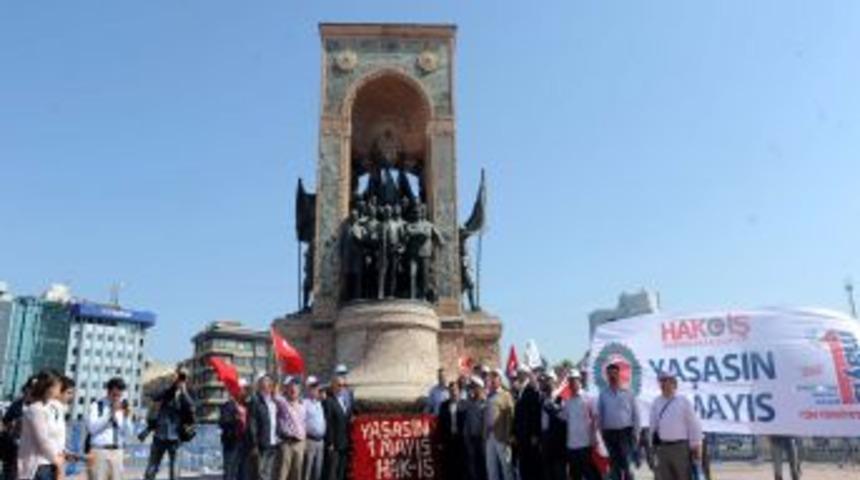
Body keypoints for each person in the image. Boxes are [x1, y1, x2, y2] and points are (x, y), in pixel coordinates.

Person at [142, 369, 195, 480]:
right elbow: (155, 396)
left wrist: (183, 392)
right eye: (179, 377)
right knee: (151, 469)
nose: (180, 380)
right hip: (159, 435)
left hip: (176, 437)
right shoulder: (166, 388)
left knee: (174, 472)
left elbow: (191, 407)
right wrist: (172, 386)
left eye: (183, 378)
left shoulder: (188, 392)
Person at [649, 372, 702, 480]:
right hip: (662, 448)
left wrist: (696, 445)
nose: (663, 384)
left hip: (681, 448)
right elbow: (653, 426)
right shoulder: (656, 402)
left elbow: (694, 425)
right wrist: (653, 446)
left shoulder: (683, 401)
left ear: (674, 383)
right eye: (661, 381)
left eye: (666, 381)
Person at [596, 363, 640, 480]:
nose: (612, 376)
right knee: (614, 467)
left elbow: (636, 415)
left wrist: (636, 433)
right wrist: (601, 436)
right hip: (609, 434)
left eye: (614, 373)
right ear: (607, 376)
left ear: (619, 374)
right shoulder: (603, 394)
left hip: (625, 433)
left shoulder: (628, 392)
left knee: (627, 465)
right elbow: (600, 416)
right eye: (609, 374)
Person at [18, 371, 65, 480]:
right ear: (49, 388)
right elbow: (43, 440)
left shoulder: (50, 407)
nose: (60, 388)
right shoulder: (36, 409)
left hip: (49, 463)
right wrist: (56, 459)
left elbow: (54, 436)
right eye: (57, 385)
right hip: (39, 465)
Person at [86, 377, 133, 480]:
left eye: (120, 395)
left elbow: (128, 433)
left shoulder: (122, 407)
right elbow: (91, 428)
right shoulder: (97, 406)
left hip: (118, 452)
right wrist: (110, 414)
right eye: (114, 395)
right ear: (108, 391)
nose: (117, 398)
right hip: (99, 451)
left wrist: (126, 417)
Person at [3, 376, 39, 480]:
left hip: (31, 455)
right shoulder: (16, 405)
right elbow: (5, 423)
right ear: (26, 388)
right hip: (12, 451)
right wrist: (12, 425)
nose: (33, 390)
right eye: (31, 387)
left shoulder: (41, 408)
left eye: (36, 388)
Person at [484, 368, 514, 480]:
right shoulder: (489, 396)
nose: (493, 379)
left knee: (506, 467)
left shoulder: (506, 395)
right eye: (492, 377)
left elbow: (510, 416)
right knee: (491, 468)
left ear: (500, 379)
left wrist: (508, 435)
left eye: (495, 377)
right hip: (489, 436)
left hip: (502, 436)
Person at [247, 375, 279, 480]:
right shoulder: (255, 401)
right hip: (261, 444)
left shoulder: (273, 401)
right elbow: (252, 424)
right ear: (260, 386)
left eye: (270, 383)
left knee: (268, 473)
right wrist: (254, 444)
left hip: (273, 442)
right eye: (265, 383)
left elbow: (276, 421)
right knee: (260, 474)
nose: (268, 386)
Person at [513, 366, 542, 480]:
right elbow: (516, 415)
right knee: (523, 464)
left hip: (530, 435)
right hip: (521, 435)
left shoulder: (531, 390)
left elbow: (535, 414)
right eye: (518, 373)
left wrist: (535, 433)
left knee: (532, 465)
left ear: (525, 374)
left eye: (521, 373)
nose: (518, 375)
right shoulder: (518, 391)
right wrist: (514, 433)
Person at [275, 376, 306, 480]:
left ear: (299, 391)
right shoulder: (282, 402)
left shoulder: (302, 405)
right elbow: (275, 394)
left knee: (297, 474)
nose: (293, 391)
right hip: (286, 443)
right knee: (282, 474)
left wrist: (303, 441)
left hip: (299, 444)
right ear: (287, 390)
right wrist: (280, 378)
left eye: (296, 389)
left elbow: (303, 424)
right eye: (291, 389)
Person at [538, 371, 566, 480]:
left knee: (559, 471)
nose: (548, 383)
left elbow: (561, 417)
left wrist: (550, 406)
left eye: (550, 380)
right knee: (547, 470)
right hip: (545, 438)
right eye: (547, 380)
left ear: (555, 381)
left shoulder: (561, 397)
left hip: (557, 440)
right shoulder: (543, 398)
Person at [219, 379, 249, 480]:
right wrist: (235, 419)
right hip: (232, 443)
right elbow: (222, 423)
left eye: (245, 389)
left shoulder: (247, 405)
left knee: (243, 473)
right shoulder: (228, 405)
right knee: (230, 473)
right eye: (241, 389)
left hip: (245, 443)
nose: (243, 392)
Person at [322, 376, 351, 480]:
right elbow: (328, 422)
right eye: (339, 385)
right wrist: (330, 442)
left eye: (344, 385)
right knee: (332, 472)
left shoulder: (345, 401)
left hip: (344, 442)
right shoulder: (329, 401)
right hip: (334, 444)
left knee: (341, 472)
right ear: (333, 386)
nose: (341, 388)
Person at [461, 377, 487, 480]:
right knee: (473, 467)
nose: (472, 389)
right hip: (471, 438)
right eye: (471, 387)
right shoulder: (470, 403)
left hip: (482, 439)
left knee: (483, 466)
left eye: (474, 387)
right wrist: (466, 436)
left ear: (480, 388)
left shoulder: (484, 402)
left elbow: (485, 423)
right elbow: (467, 420)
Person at [438, 381, 465, 480]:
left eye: (455, 390)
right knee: (449, 466)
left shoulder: (464, 404)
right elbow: (440, 424)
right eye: (451, 390)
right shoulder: (443, 406)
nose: (453, 392)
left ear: (459, 391)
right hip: (448, 439)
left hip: (461, 440)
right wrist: (440, 441)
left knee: (461, 466)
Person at [302, 376, 326, 480]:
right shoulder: (304, 403)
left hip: (320, 441)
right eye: (313, 387)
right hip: (310, 440)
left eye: (316, 387)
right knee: (307, 471)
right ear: (308, 389)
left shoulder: (319, 403)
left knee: (318, 471)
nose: (315, 390)